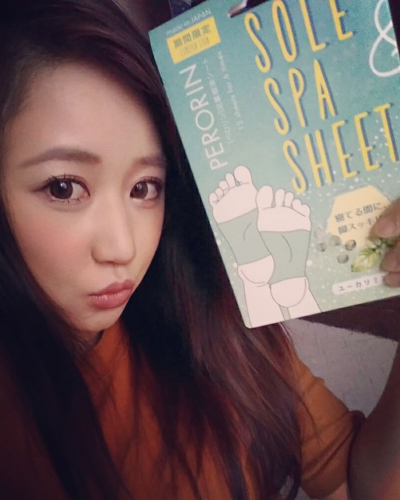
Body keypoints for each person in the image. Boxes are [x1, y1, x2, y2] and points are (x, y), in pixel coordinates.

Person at [0, 1, 399, 500]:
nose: (123, 247)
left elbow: (357, 485)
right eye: (64, 188)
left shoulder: (209, 324)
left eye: (145, 187)